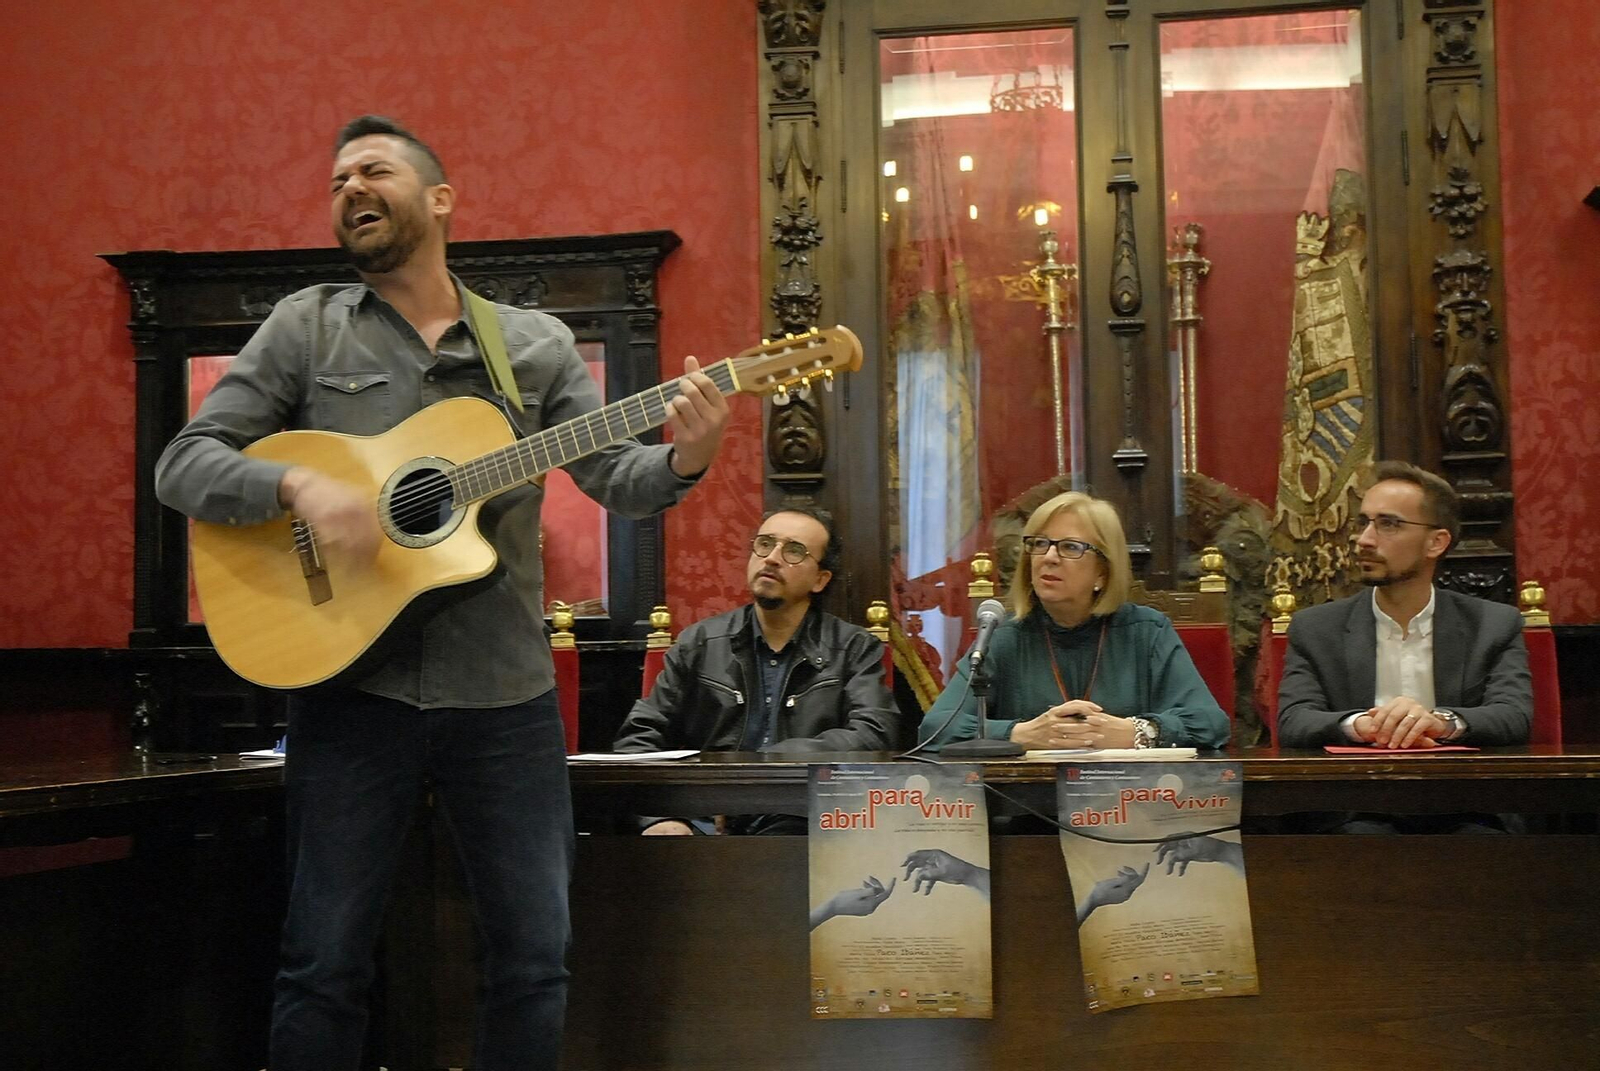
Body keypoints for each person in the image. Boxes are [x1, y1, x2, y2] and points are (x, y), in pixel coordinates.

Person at [154, 116, 728, 1071]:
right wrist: (292, 484)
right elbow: (185, 462)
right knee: (323, 961)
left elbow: (616, 476)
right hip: (348, 694)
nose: (350, 188)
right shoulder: (306, 326)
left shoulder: (531, 346)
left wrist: (689, 453)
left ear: (440, 199)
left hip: (504, 696)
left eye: (373, 171)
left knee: (534, 957)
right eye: (337, 179)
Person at [612, 507, 901, 833]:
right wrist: (660, 818)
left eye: (794, 551)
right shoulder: (701, 643)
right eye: (765, 544)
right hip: (701, 820)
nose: (772, 558)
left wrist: (769, 762)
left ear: (820, 580)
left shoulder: (852, 648)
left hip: (801, 814)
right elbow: (639, 739)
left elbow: (874, 734)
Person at [918, 492, 1230, 752]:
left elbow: (1210, 723)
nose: (1048, 557)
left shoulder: (1146, 632)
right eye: (1039, 543)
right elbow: (936, 728)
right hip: (1028, 813)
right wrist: (1022, 734)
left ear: (1102, 573)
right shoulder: (1004, 636)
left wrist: (1137, 731)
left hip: (1133, 808)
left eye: (1070, 547)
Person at [1277, 461, 1532, 750]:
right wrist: (1361, 725)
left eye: (1388, 524)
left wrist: (1441, 723)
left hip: (1459, 786)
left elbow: (1514, 716)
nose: (1364, 540)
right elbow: (1294, 720)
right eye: (1363, 523)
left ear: (1436, 543)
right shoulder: (1316, 628)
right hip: (1353, 788)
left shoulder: (1492, 625)